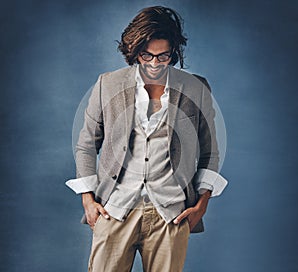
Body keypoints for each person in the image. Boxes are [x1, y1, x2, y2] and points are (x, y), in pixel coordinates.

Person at [66, 6, 228, 272]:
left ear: (173, 52)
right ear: (134, 51)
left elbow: (210, 152)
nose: (154, 64)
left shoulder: (196, 88)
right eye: (147, 55)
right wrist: (88, 199)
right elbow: (85, 145)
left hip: (171, 216)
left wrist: (202, 203)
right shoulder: (107, 84)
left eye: (163, 56)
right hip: (115, 209)